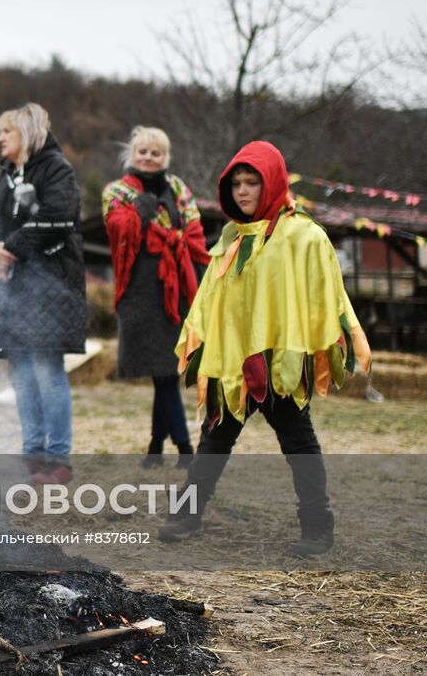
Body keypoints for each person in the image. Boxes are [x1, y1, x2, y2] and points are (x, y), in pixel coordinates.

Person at [159, 141, 370, 558]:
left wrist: (318, 348)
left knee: (299, 443)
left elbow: (325, 295)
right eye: (236, 183)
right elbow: (212, 298)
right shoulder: (232, 239)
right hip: (235, 363)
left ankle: (317, 526)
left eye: (251, 182)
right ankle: (187, 515)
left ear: (270, 182)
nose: (242, 191)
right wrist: (203, 342)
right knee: (214, 441)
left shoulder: (303, 235)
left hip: (282, 362)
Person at [0, 104, 85, 486]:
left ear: (28, 134)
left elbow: (58, 217)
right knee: (20, 373)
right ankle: (32, 456)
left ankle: (59, 461)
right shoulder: (3, 177)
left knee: (48, 372)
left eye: (7, 132)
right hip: (11, 293)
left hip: (49, 287)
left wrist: (11, 249)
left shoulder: (55, 169)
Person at [102, 127, 209, 467]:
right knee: (162, 372)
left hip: (175, 286)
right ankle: (184, 450)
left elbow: (194, 233)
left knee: (165, 371)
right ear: (132, 155)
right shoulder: (116, 191)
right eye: (143, 152)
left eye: (156, 153)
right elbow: (116, 227)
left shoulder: (179, 189)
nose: (149, 157)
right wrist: (140, 213)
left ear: (166, 157)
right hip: (140, 289)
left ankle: (155, 448)